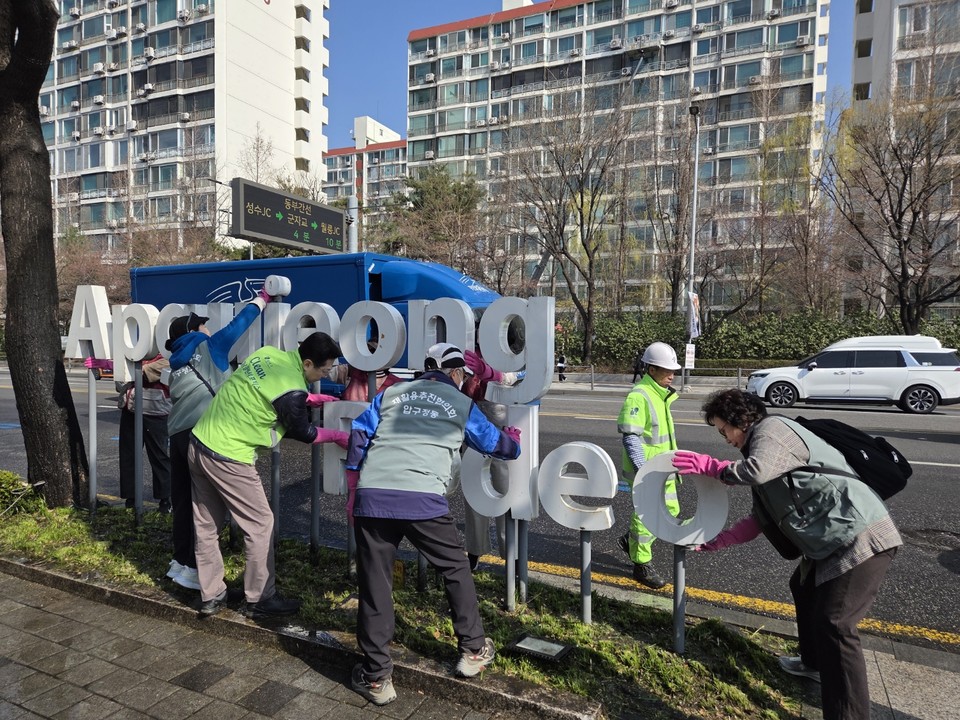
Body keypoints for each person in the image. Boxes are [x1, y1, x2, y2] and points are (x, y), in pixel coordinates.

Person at [674, 388, 901, 720]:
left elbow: (755, 472)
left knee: (835, 624)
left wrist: (712, 467)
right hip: (830, 540)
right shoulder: (764, 451)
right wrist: (719, 541)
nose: (726, 439)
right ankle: (813, 664)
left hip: (860, 535)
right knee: (803, 588)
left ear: (743, 420)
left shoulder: (773, 431)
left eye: (725, 430)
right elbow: (759, 519)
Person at [345, 343, 522, 706]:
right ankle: (473, 650)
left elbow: (360, 434)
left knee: (374, 582)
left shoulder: (391, 392)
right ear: (456, 374)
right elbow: (496, 445)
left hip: (373, 495)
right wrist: (514, 443)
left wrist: (353, 487)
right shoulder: (460, 403)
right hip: (422, 498)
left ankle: (377, 678)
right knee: (456, 568)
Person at [188, 331, 348, 619]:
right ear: (308, 363)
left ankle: (211, 595)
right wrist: (336, 434)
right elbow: (304, 432)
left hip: (199, 442)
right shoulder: (292, 390)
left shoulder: (269, 354)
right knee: (261, 524)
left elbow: (262, 388)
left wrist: (305, 399)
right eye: (324, 370)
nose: (326, 374)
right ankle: (260, 598)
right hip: (229, 456)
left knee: (206, 525)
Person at [165, 293, 273, 592]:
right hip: (204, 434)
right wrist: (263, 299)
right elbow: (240, 324)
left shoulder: (176, 360)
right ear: (194, 331)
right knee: (205, 507)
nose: (208, 329)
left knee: (183, 502)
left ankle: (180, 561)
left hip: (176, 434)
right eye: (202, 325)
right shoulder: (209, 347)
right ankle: (193, 569)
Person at [616, 341, 681, 589]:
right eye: (666, 369)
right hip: (647, 471)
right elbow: (630, 437)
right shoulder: (639, 395)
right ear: (651, 370)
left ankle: (629, 541)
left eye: (673, 370)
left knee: (671, 511)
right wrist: (643, 469)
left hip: (664, 468)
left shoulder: (660, 394)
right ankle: (641, 564)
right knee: (647, 516)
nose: (671, 374)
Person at [459, 345, 521, 572]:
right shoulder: (472, 354)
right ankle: (475, 550)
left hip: (504, 428)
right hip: (474, 428)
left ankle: (511, 553)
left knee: (505, 495)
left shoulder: (515, 355)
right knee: (474, 494)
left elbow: (525, 376)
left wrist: (492, 374)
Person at [116, 354, 172, 512]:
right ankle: (130, 498)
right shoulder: (130, 344)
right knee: (128, 454)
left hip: (155, 409)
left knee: (159, 455)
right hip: (131, 407)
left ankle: (164, 500)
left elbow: (170, 361)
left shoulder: (163, 343)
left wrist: (142, 371)